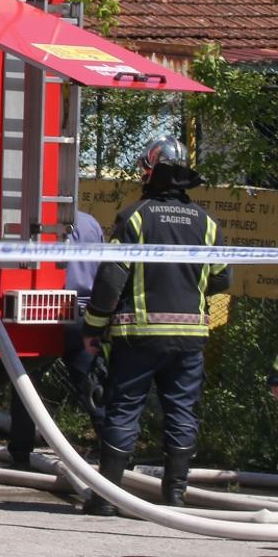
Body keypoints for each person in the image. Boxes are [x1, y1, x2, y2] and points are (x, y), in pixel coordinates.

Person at [80, 137, 229, 514]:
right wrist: (194, 297)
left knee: (123, 410)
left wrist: (93, 328)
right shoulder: (208, 223)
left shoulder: (134, 217)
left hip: (139, 338)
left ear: (151, 171)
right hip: (190, 338)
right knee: (181, 412)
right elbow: (223, 279)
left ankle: (106, 500)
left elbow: (111, 280)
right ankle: (174, 496)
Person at [7, 207, 106, 467]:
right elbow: (103, 271)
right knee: (92, 383)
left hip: (44, 312)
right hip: (83, 315)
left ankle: (21, 453)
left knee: (26, 382)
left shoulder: (37, 221)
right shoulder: (91, 224)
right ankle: (114, 450)